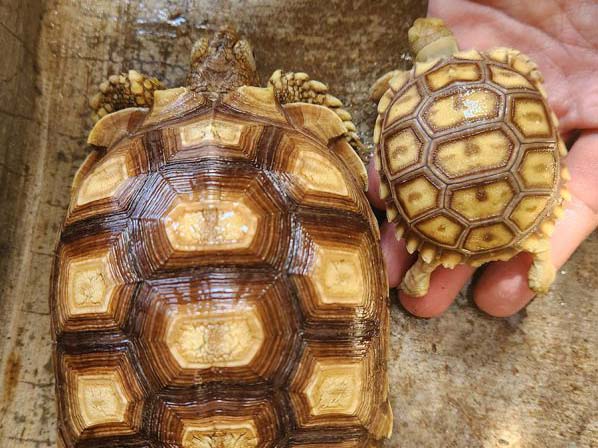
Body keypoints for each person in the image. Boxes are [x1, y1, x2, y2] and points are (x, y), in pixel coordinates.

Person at [367, 0, 598, 318]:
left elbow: (386, 92)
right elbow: (525, 68)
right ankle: (538, 254)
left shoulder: (401, 91)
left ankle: (423, 269)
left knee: (428, 260)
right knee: (533, 233)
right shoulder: (502, 66)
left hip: (442, 226)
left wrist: (389, 89)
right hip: (519, 210)